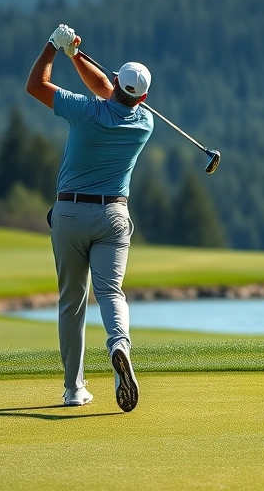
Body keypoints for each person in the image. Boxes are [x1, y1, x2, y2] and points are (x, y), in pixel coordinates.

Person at [25, 24, 154, 412]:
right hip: (113, 215)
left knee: (72, 302)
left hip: (70, 213)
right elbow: (109, 89)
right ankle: (119, 346)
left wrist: (54, 47)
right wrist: (76, 56)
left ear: (115, 81)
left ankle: (73, 389)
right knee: (111, 293)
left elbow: (36, 85)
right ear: (143, 96)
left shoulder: (84, 111)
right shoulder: (144, 123)